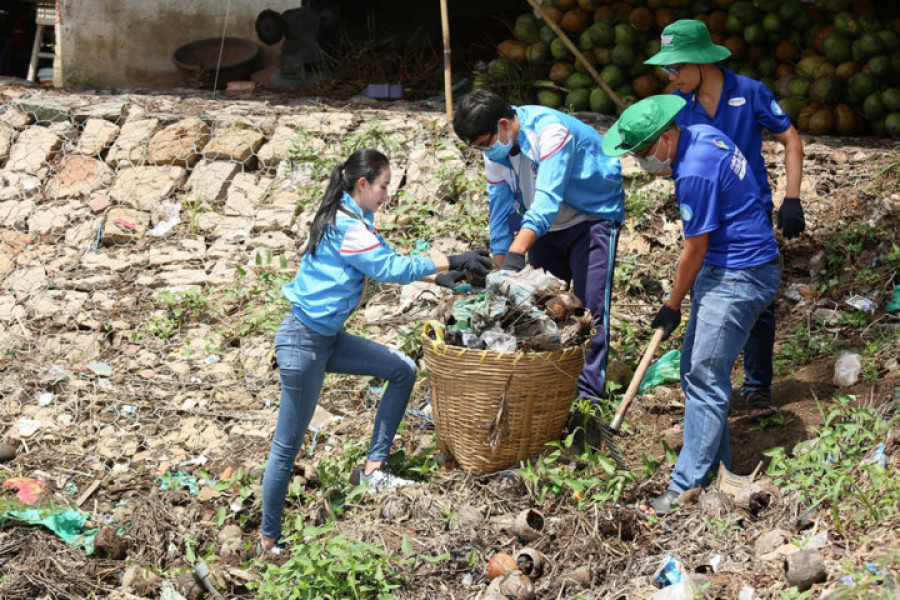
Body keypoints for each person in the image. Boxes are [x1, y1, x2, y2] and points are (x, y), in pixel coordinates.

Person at [259, 149, 493, 554]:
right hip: (303, 344)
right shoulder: (347, 226)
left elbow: (380, 265)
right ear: (362, 184)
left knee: (402, 370)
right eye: (384, 185)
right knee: (286, 447)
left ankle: (374, 470)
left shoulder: (354, 217)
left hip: (326, 339)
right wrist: (453, 257)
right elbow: (389, 269)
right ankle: (268, 541)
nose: (388, 193)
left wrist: (442, 277)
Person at [602, 95, 781, 517]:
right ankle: (719, 471)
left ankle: (687, 485)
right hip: (728, 264)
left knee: (704, 374)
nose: (644, 163)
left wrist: (671, 303)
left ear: (666, 137)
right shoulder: (702, 135)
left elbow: (694, 248)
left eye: (645, 153)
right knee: (693, 369)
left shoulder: (695, 171)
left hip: (740, 272)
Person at [645, 19, 804, 419]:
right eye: (668, 69)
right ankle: (708, 391)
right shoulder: (679, 107)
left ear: (701, 60)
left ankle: (757, 388)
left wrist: (792, 198)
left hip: (750, 212)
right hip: (705, 215)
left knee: (758, 304)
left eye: (676, 67)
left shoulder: (749, 92)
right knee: (707, 294)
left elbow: (791, 138)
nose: (672, 76)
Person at [452, 88, 625, 401]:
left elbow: (546, 201)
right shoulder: (496, 153)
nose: (486, 151)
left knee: (590, 307)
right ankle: (551, 384)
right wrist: (500, 274)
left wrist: (517, 255)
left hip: (589, 219)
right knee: (539, 308)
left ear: (504, 124)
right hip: (543, 228)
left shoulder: (551, 133)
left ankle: (589, 396)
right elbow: (501, 213)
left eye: (485, 143)